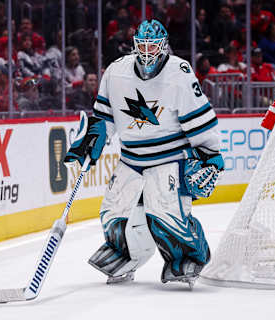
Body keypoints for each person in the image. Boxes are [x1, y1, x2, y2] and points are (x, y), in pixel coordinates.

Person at [64, 20, 224, 286]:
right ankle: (124, 254)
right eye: (143, 45)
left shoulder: (179, 72)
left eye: (153, 45)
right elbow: (105, 117)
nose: (147, 51)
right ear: (134, 45)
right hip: (130, 158)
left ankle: (187, 256)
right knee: (113, 212)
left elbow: (200, 121)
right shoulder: (116, 71)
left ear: (164, 46)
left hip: (169, 158)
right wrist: (94, 139)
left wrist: (210, 155)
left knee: (165, 215)